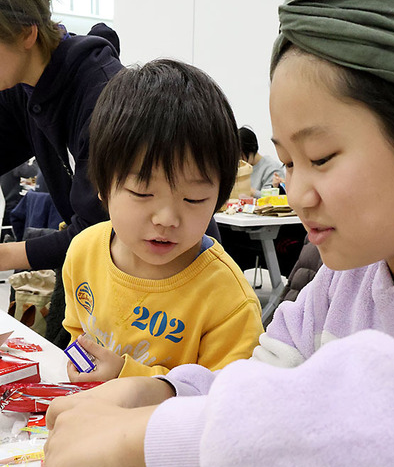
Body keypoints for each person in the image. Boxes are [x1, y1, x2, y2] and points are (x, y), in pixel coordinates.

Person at [34, 0, 394, 467]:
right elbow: (259, 383)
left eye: (320, 157)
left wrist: (145, 440)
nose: (292, 188)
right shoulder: (343, 281)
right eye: (286, 160)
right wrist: (155, 391)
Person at [62, 59, 263, 382]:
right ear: (102, 186)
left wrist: (124, 376)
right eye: (142, 192)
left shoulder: (227, 299)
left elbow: (225, 402)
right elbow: (77, 329)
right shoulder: (83, 253)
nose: (167, 219)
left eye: (194, 199)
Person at [0, 0, 124, 275]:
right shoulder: (22, 85)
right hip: (95, 265)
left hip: (162, 276)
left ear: (27, 34)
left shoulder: (102, 95)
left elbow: (101, 229)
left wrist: (4, 256)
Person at [239, 125, 284, 196]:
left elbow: (273, 197)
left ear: (251, 149)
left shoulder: (271, 168)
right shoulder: (242, 168)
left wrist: (252, 192)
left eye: (241, 155)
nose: (239, 160)